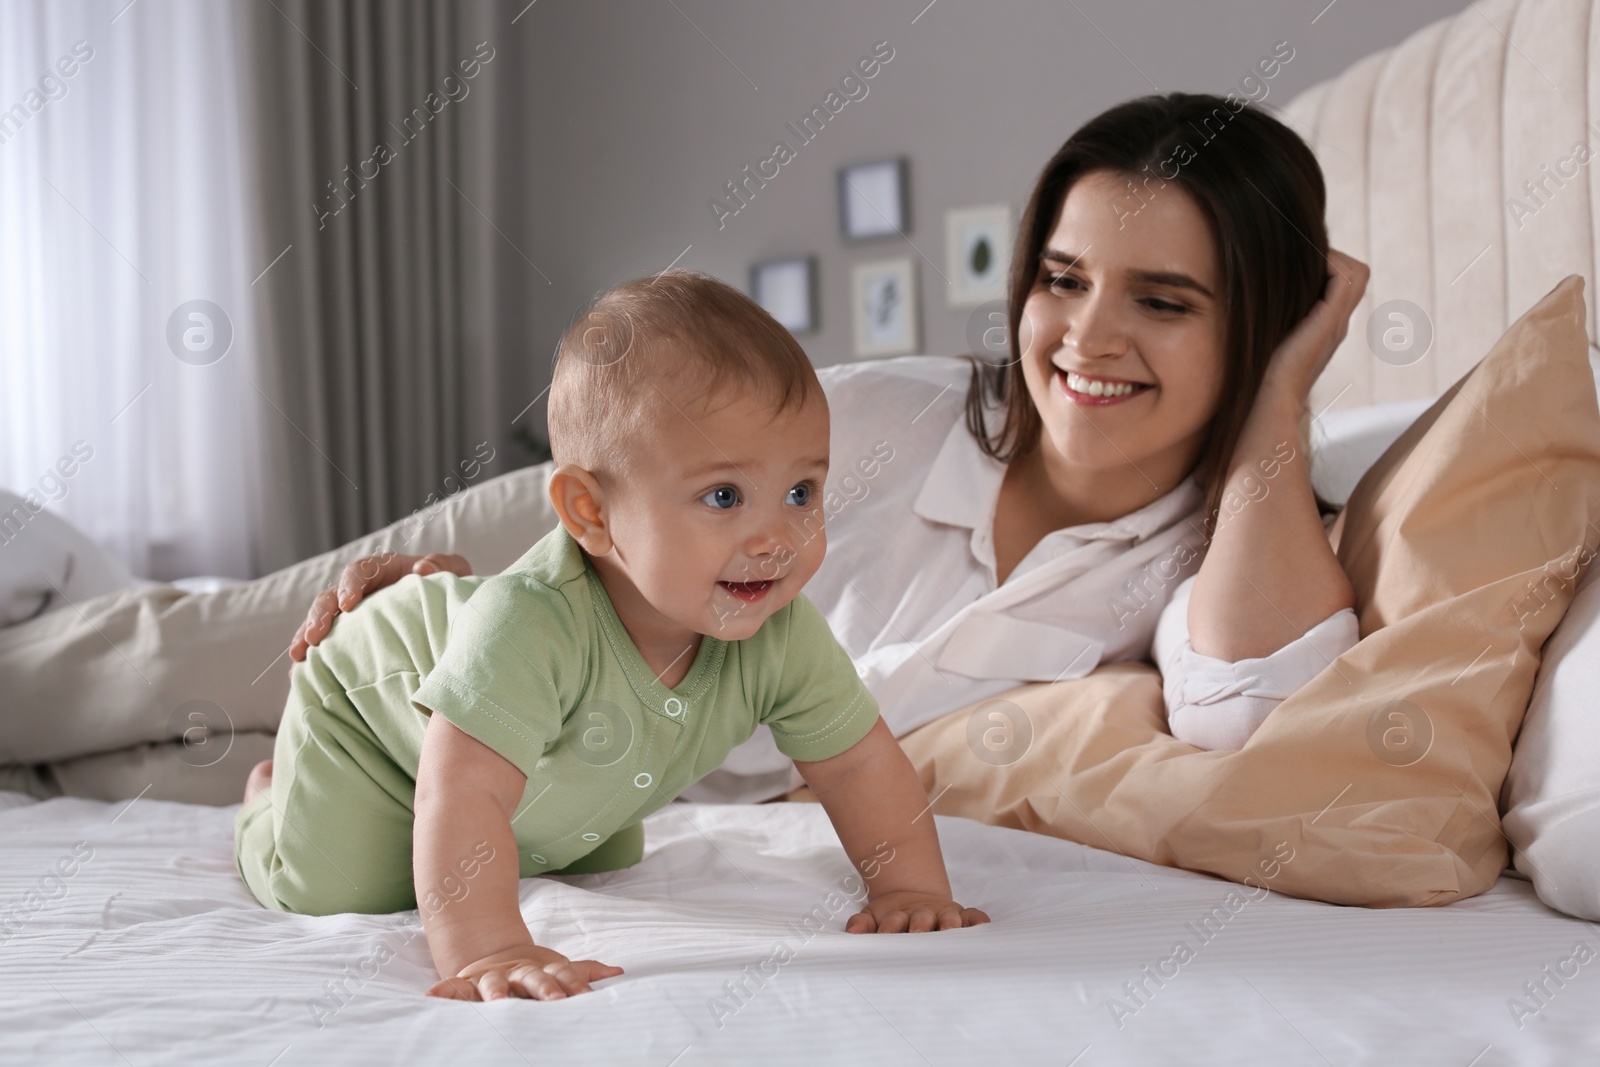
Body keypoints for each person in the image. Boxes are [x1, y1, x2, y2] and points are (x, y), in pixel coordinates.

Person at [0, 92, 1365, 804]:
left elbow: (1247, 717)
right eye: (1061, 278)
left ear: (1264, 318)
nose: (1083, 334)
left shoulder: (1209, 552)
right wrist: (464, 622)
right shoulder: (890, 412)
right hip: (588, 541)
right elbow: (659, 515)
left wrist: (1283, 392)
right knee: (191, 654)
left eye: (1165, 300)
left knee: (190, 772)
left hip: (607, 738)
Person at [233, 271, 989, 1002]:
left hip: (551, 776)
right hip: (371, 724)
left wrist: (910, 887)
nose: (777, 536)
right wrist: (488, 946)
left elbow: (857, 764)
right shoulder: (529, 622)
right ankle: (268, 800)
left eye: (802, 492)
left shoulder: (782, 630)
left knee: (600, 848)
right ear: (591, 514)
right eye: (724, 496)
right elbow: (459, 790)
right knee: (342, 886)